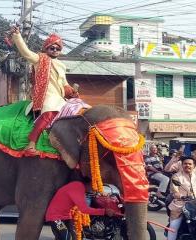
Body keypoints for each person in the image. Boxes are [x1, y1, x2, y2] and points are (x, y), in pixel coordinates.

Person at [10, 26, 78, 155]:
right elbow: (25, 52)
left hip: (60, 99)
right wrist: (17, 36)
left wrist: (72, 92)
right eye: (52, 48)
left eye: (58, 48)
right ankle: (31, 145)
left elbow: (64, 85)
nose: (55, 50)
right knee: (49, 114)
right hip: (47, 97)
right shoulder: (40, 59)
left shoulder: (62, 66)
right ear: (46, 49)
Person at [45, 173, 115, 240]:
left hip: (66, 217)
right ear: (90, 183)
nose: (95, 189)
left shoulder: (80, 187)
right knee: (66, 237)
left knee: (73, 236)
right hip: (56, 217)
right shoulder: (78, 187)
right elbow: (84, 209)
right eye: (95, 185)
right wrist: (104, 211)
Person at [167, 156, 196, 240]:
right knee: (173, 228)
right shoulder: (176, 177)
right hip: (180, 205)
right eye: (185, 164)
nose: (187, 165)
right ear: (182, 165)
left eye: (190, 164)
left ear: (193, 165)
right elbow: (174, 192)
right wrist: (181, 196)